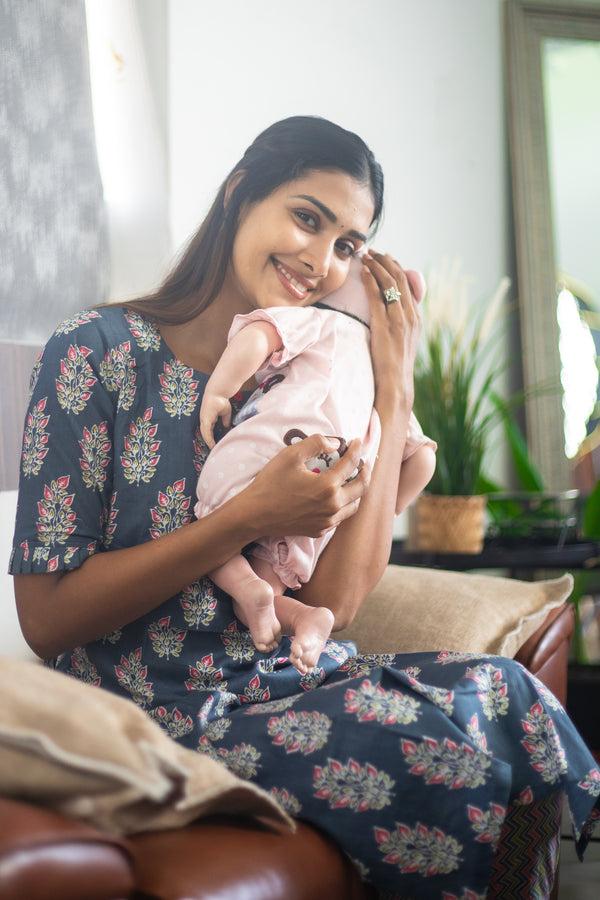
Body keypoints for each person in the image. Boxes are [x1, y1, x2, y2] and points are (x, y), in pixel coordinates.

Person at [10, 116, 599, 899]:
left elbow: (337, 602)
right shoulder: (97, 351)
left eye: (349, 244)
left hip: (284, 680)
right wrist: (245, 517)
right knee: (450, 756)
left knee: (507, 694)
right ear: (238, 195)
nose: (320, 261)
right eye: (307, 217)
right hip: (160, 708)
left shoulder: (319, 376)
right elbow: (46, 621)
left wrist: (392, 391)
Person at [195, 254, 436, 673]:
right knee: (262, 596)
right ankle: (302, 615)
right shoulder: (380, 382)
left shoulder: (324, 324)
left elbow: (259, 336)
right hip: (323, 506)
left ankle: (253, 590)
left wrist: (220, 390)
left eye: (344, 249)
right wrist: (389, 506)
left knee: (210, 526)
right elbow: (422, 461)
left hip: (259, 458)